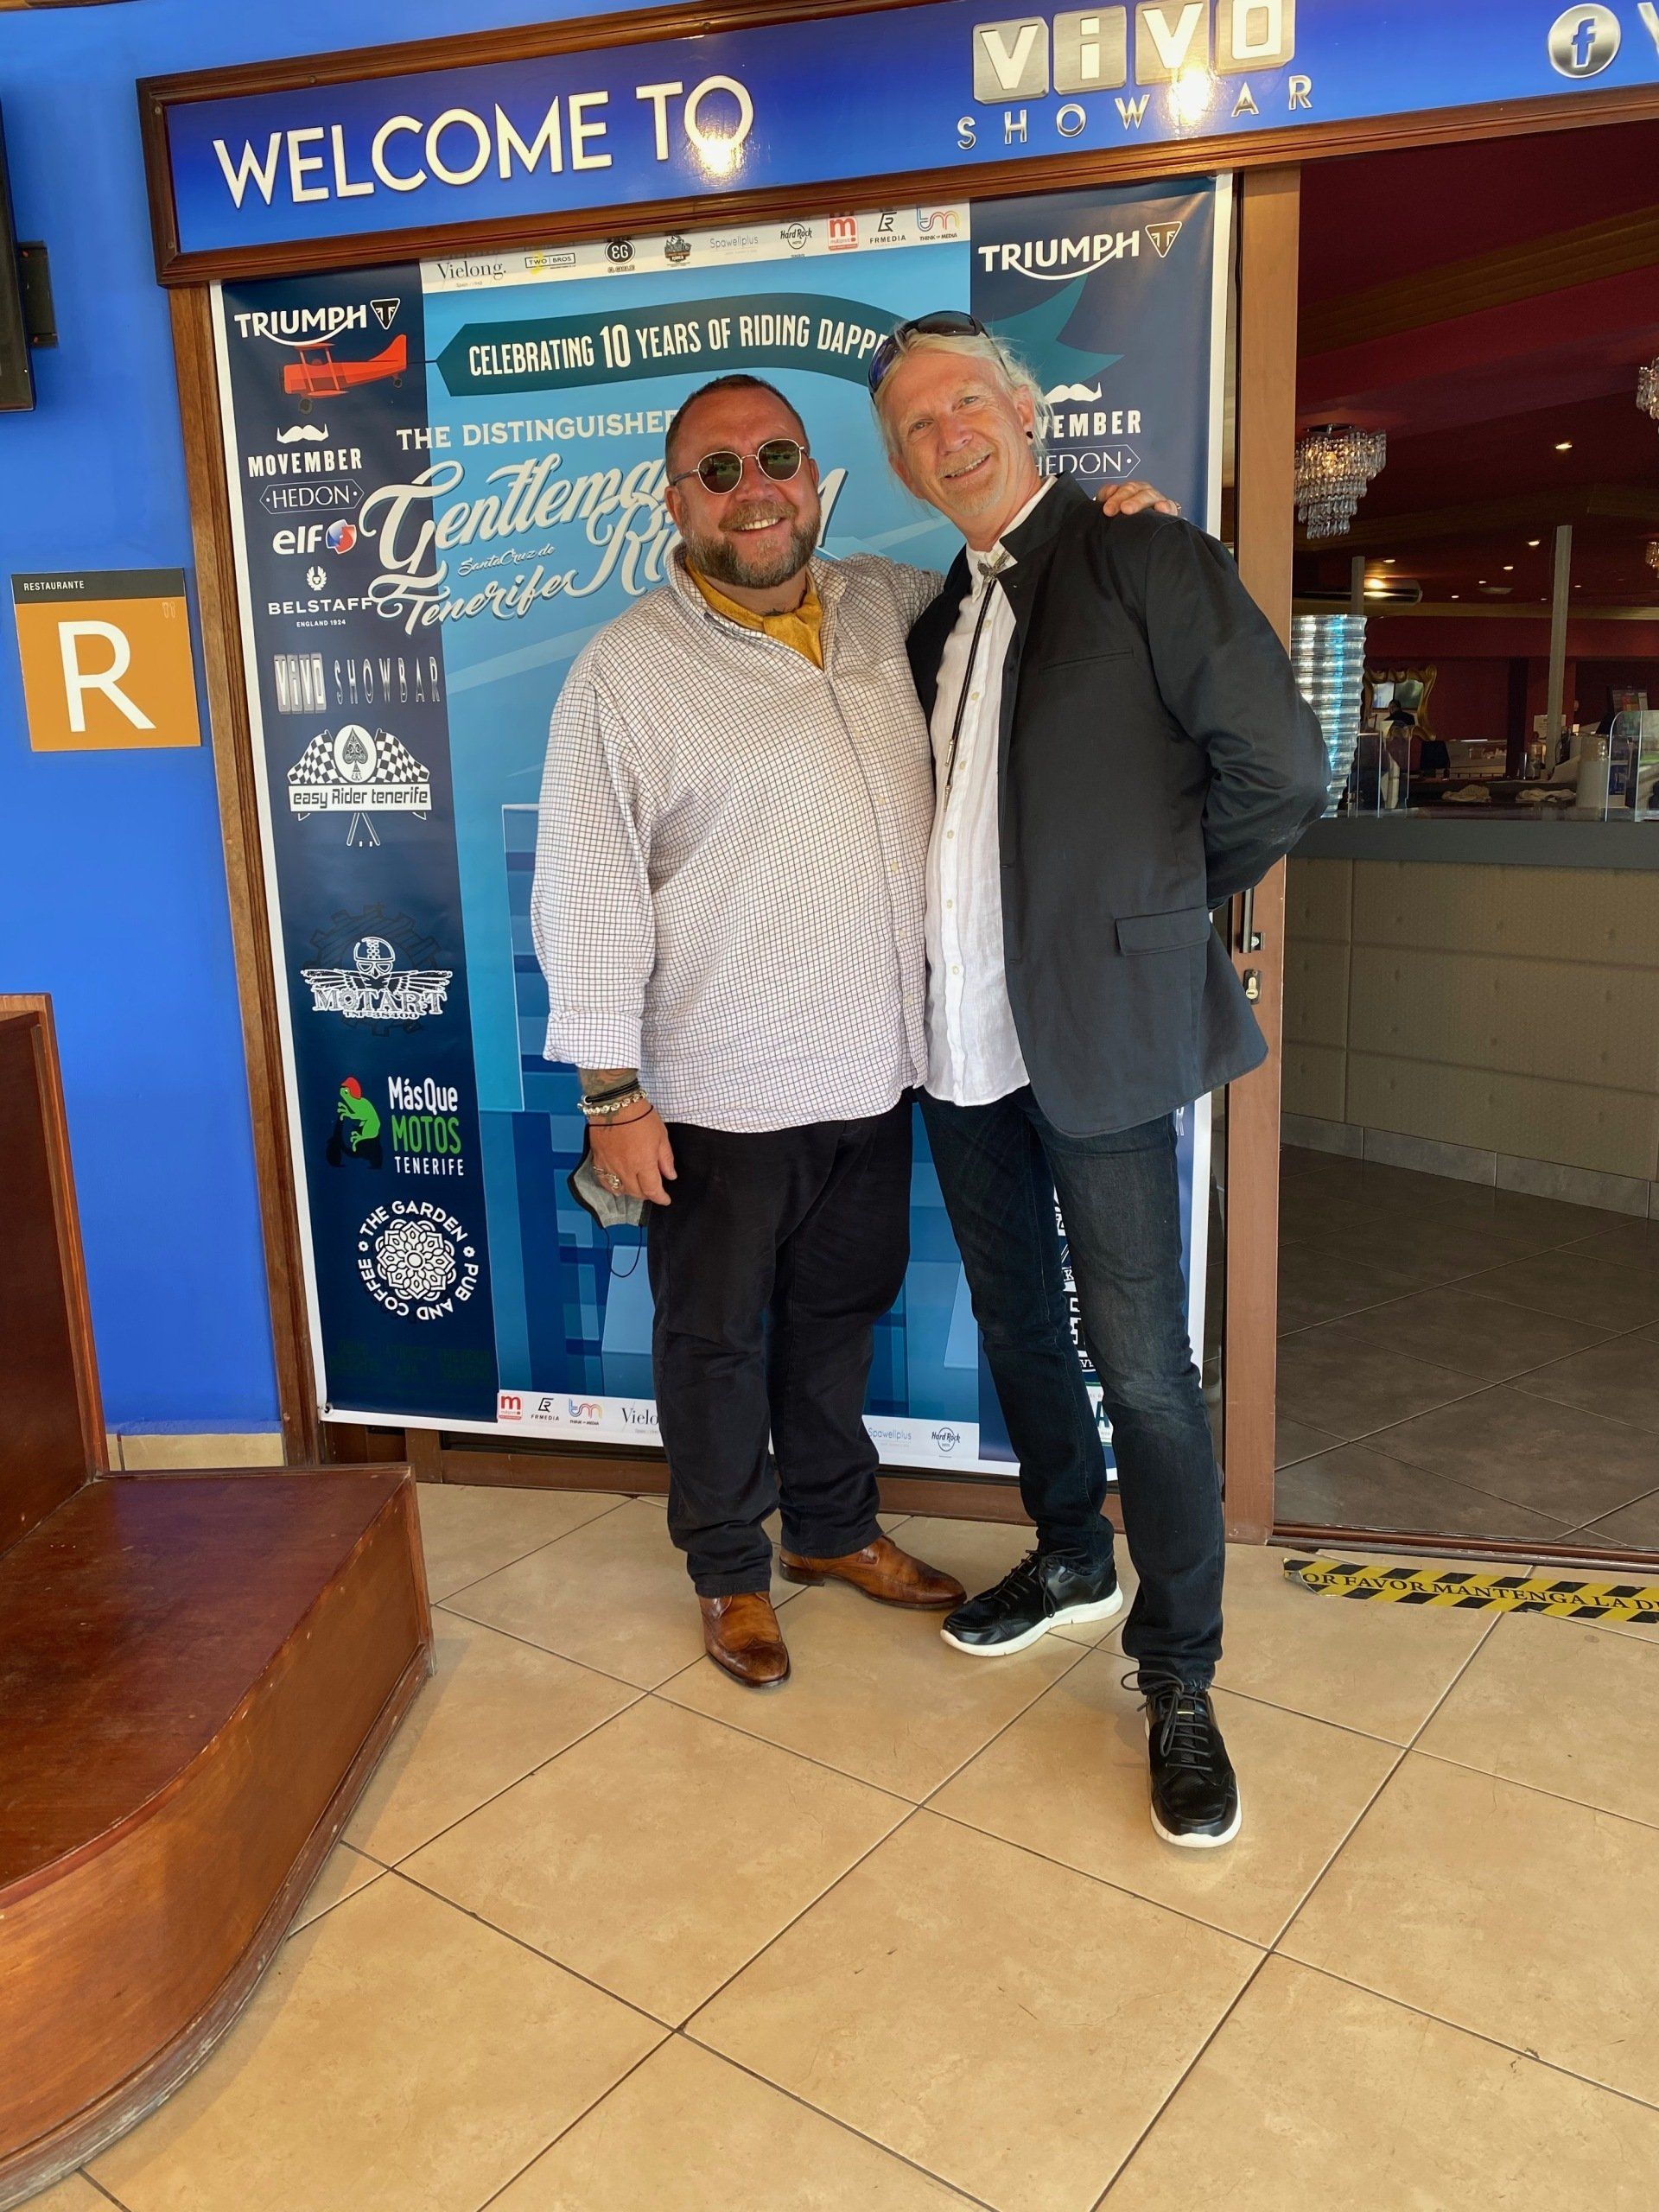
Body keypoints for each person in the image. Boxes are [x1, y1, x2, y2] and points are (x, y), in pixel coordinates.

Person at [531, 371, 1169, 1691]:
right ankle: (729, 1569)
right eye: (719, 471)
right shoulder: (624, 673)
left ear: (816, 480)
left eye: (777, 459)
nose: (754, 490)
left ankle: (828, 1527)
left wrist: (1118, 545)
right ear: (676, 502)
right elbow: (588, 889)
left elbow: (1025, 608)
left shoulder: (893, 602)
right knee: (714, 1341)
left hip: (879, 1074)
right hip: (715, 1091)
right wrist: (611, 1094)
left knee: (838, 1317)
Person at [870, 315, 1327, 1847]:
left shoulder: (1138, 555)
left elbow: (1281, 771)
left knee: (1142, 1365)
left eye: (965, 402)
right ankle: (1070, 1550)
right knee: (1017, 1322)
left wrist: (1154, 904)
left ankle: (1179, 1674)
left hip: (1103, 1031)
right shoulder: (938, 619)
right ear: (902, 465)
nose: (947, 433)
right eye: (915, 424)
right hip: (961, 1043)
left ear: (1023, 410)